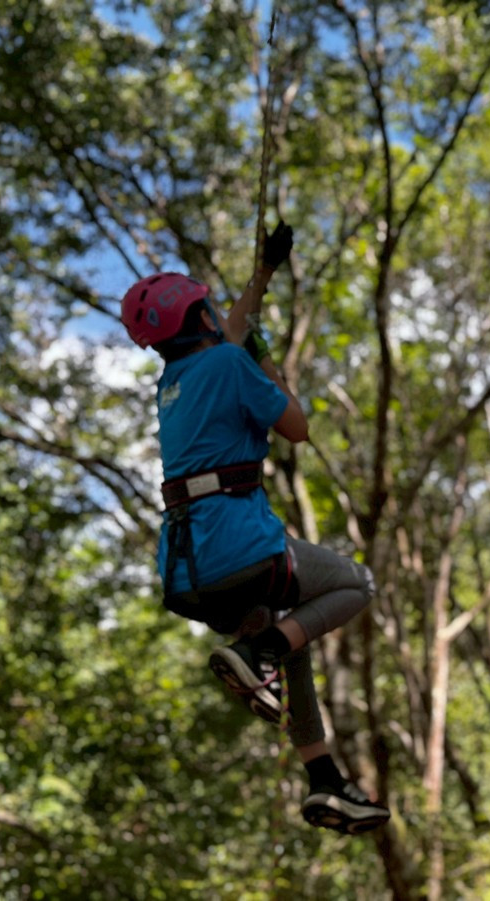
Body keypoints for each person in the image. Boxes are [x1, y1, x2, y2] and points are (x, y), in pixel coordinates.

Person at [120, 225, 390, 835]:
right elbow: (297, 426)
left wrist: (263, 273)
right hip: (239, 546)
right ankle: (257, 653)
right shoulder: (231, 363)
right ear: (200, 318)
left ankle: (325, 782)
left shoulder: (176, 380)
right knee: (355, 584)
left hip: (187, 569)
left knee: (288, 633)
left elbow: (232, 324)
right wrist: (264, 358)